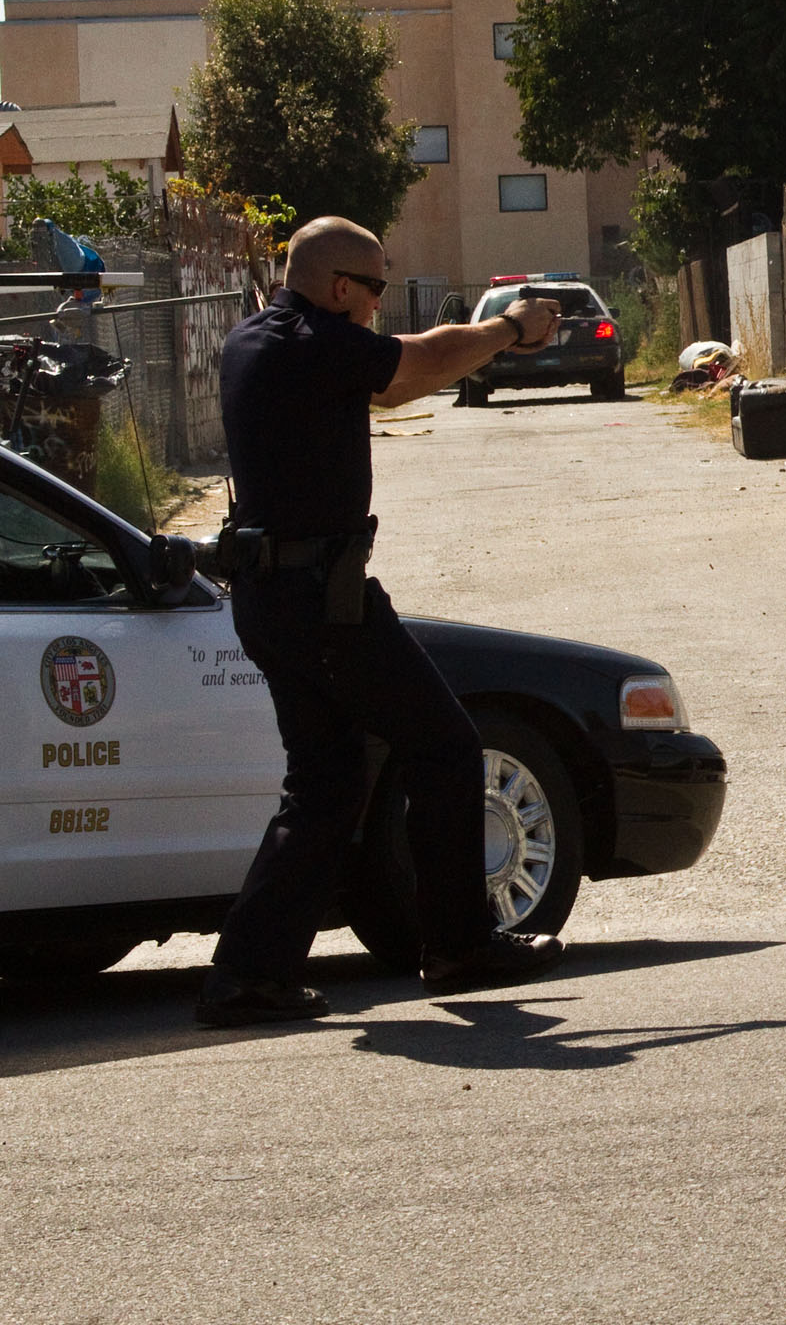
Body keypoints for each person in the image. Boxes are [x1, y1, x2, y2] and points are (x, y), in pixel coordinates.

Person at [194, 217, 570, 1028]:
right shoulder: (314, 341)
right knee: (444, 743)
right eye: (375, 289)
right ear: (339, 288)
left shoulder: (253, 337)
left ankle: (247, 975)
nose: (378, 305)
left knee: (325, 784)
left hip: (274, 597)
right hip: (318, 599)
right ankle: (461, 944)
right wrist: (510, 329)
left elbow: (398, 373)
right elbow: (417, 366)